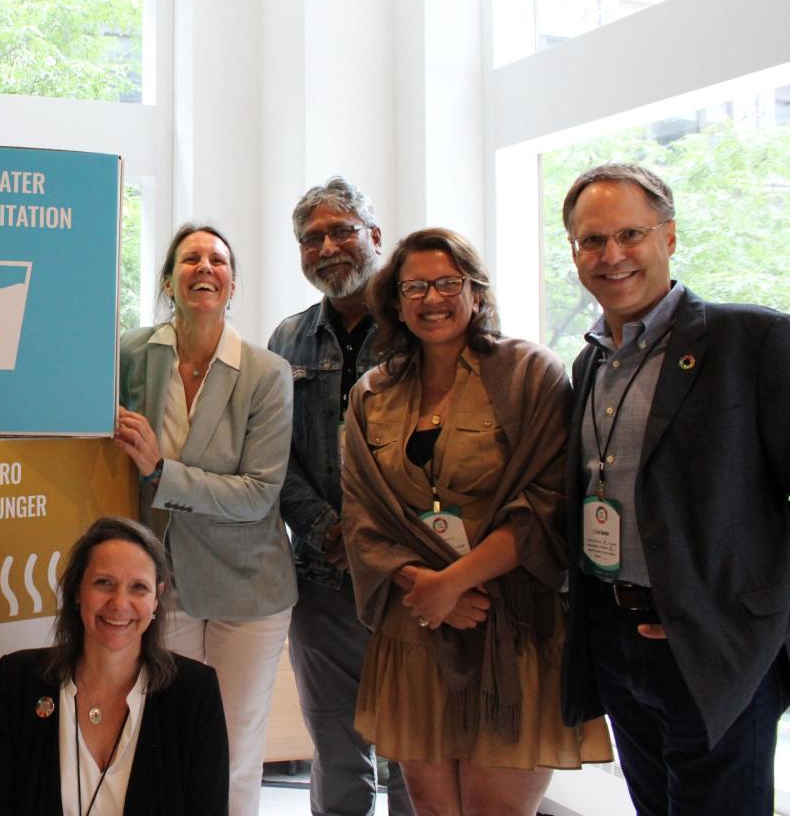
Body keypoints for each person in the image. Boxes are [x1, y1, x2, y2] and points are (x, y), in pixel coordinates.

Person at [341, 227, 610, 816]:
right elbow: (361, 516)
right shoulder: (371, 394)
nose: (431, 299)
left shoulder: (529, 374)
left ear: (476, 292)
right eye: (414, 287)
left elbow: (547, 503)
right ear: (395, 301)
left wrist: (454, 583)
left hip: (511, 627)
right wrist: (426, 589)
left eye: (447, 283)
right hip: (416, 629)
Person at [557, 163, 790, 815]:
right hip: (617, 641)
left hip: (713, 648)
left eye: (630, 233)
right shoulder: (591, 361)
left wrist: (762, 619)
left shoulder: (753, 339)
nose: (613, 255)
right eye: (591, 241)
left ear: (670, 237)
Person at [114, 222, 295, 816]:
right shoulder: (131, 354)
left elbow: (257, 495)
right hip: (163, 583)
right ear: (168, 279)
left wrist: (161, 471)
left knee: (236, 748)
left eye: (217, 260)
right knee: (168, 737)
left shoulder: (267, 373)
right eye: (190, 259)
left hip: (250, 586)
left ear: (232, 283)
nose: (205, 268)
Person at [267, 177, 412, 816]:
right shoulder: (287, 340)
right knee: (335, 745)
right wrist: (331, 530)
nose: (327, 247)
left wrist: (381, 545)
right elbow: (272, 458)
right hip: (322, 582)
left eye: (341, 230)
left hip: (416, 582)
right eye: (311, 238)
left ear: (375, 237)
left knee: (415, 748)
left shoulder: (420, 326)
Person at [0, 516, 229, 816]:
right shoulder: (18, 680)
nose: (120, 603)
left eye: (138, 588)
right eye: (104, 583)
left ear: (157, 599)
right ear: (78, 590)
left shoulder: (195, 692)